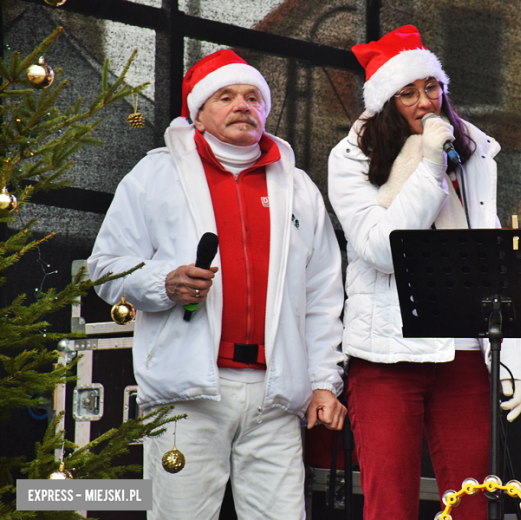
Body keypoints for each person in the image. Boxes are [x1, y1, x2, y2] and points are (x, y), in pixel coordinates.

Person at [88, 49, 346, 520]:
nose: (242, 105)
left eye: (253, 96)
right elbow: (105, 267)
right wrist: (164, 282)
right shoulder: (155, 175)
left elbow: (323, 296)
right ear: (199, 114)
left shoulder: (300, 189)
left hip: (276, 396)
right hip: (189, 393)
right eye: (225, 96)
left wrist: (324, 383)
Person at [328, 25, 521, 519]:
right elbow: (381, 249)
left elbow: (492, 255)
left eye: (431, 88)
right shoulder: (350, 156)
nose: (425, 102)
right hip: (386, 357)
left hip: (463, 352)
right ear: (385, 102)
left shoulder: (476, 152)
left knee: (472, 507)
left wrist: (514, 359)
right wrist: (428, 169)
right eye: (409, 93)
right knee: (389, 506)